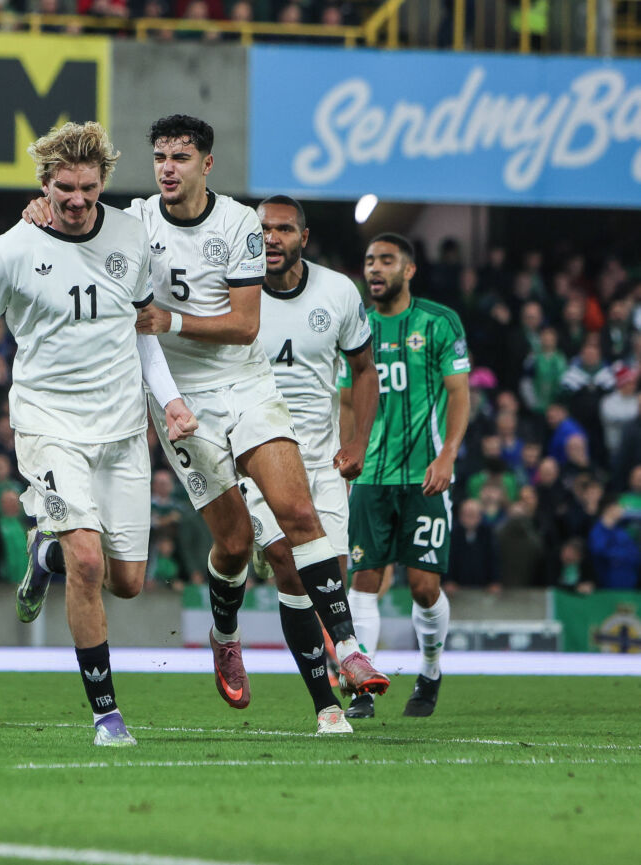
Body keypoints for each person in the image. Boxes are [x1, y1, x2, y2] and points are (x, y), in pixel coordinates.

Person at [23, 115, 387, 714]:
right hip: (178, 399)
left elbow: (246, 324)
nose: (168, 167)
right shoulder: (135, 220)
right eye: (160, 156)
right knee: (237, 542)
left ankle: (347, 646)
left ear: (207, 165)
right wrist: (35, 211)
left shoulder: (240, 223)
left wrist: (172, 321)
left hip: (244, 384)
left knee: (298, 510)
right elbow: (72, 215)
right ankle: (224, 636)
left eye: (181, 157)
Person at [0, 121, 198, 747]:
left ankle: (40, 557)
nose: (76, 200)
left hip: (124, 430)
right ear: (43, 184)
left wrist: (173, 402)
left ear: (103, 182)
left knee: (126, 581)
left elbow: (144, 333)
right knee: (87, 558)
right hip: (49, 425)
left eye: (88, 188)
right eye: (64, 188)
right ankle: (106, 715)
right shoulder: (10, 250)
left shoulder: (131, 235)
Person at [239, 195, 380, 734]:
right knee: (290, 566)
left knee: (329, 580)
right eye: (262, 230)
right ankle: (327, 703)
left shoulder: (338, 292)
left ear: (303, 236)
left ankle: (339, 656)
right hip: (258, 454)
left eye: (282, 229)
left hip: (321, 462)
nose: (271, 238)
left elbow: (364, 369)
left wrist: (359, 442)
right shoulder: (235, 294)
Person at [340, 233, 471, 719]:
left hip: (425, 476)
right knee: (364, 582)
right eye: (370, 260)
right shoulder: (357, 325)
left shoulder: (439, 323)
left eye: (386, 260)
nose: (375, 268)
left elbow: (459, 393)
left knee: (423, 587)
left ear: (409, 270)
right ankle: (362, 689)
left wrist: (449, 455)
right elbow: (348, 398)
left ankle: (431, 668)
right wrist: (347, 456)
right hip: (371, 476)